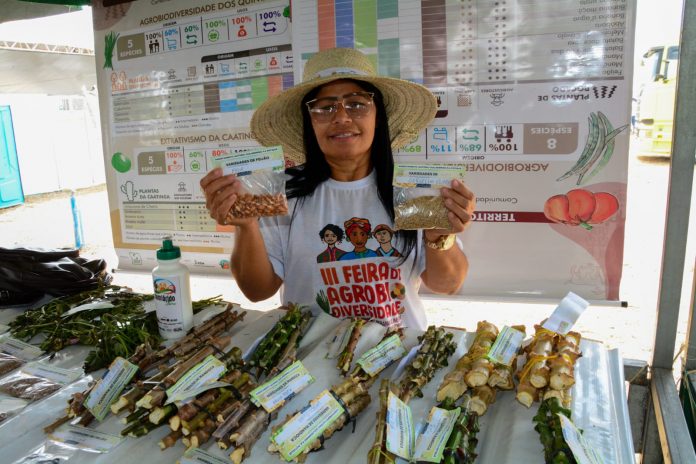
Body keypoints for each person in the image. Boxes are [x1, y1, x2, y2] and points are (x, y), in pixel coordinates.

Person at [200, 48, 475, 330]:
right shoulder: (279, 194)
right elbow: (257, 291)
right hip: (308, 362)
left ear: (377, 115)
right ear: (310, 121)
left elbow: (447, 285)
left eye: (357, 104)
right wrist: (246, 227)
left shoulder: (412, 192)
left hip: (397, 362)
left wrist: (439, 235)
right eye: (325, 107)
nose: (342, 117)